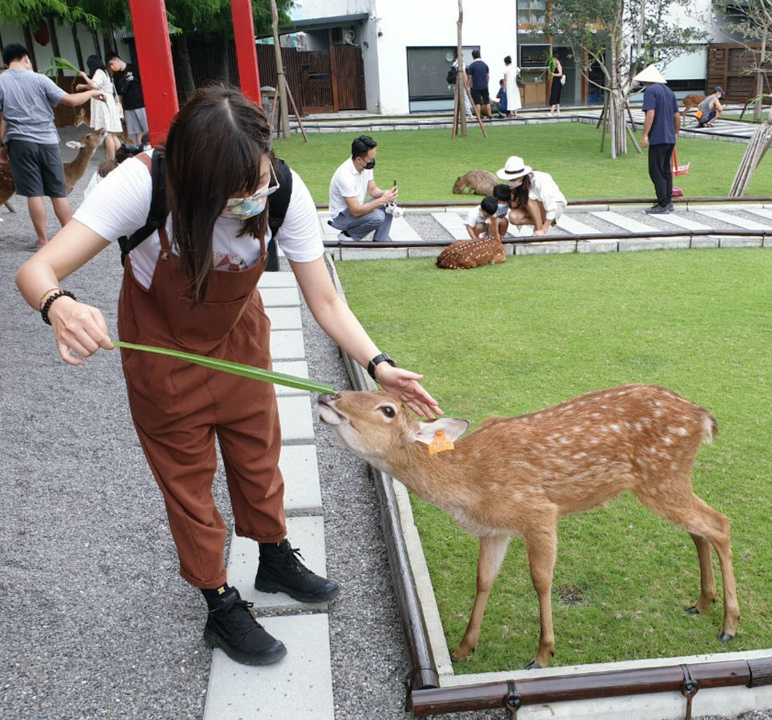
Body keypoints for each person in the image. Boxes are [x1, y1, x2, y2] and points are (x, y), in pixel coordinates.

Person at [15, 86, 441, 667]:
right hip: (163, 355)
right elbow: (38, 269)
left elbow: (326, 299)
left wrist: (379, 364)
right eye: (234, 197)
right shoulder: (142, 186)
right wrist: (58, 304)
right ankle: (219, 601)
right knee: (188, 486)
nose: (252, 201)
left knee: (259, 457)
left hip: (238, 343)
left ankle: (273, 556)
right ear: (194, 182)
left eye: (258, 184)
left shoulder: (281, 191)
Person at [0, 43, 107, 247]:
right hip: (47, 140)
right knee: (58, 191)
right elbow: (71, 101)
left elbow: (1, 118)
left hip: (19, 141)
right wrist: (92, 93)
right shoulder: (40, 79)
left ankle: (42, 240)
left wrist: (2, 145)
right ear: (25, 58)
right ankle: (70, 239)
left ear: (7, 62)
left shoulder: (1, 81)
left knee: (34, 193)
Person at [327, 134, 398, 243]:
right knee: (378, 216)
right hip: (342, 216)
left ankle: (381, 242)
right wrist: (382, 199)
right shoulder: (345, 176)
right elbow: (355, 211)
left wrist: (387, 194)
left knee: (390, 203)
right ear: (359, 159)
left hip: (357, 207)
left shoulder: (366, 165)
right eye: (371, 158)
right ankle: (347, 235)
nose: (373, 161)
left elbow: (372, 190)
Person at [636, 65, 681, 215]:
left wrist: (644, 135)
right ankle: (668, 201)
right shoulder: (669, 92)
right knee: (666, 170)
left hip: (658, 137)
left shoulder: (651, 91)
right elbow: (677, 116)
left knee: (655, 171)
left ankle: (662, 203)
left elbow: (650, 114)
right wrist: (675, 133)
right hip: (669, 138)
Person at [496, 155, 566, 237]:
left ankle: (539, 230)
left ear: (521, 176)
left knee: (528, 201)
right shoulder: (518, 185)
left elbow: (551, 206)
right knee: (514, 217)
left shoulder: (540, 181)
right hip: (536, 207)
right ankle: (540, 223)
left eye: (513, 179)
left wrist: (544, 229)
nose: (511, 182)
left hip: (556, 206)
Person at [75, 55, 122, 160]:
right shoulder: (106, 72)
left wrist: (84, 76)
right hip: (109, 102)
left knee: (107, 134)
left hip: (102, 103)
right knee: (113, 134)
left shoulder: (98, 72)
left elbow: (95, 85)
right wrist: (83, 86)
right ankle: (120, 158)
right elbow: (98, 85)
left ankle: (111, 159)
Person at [106, 51, 148, 145]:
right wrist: (118, 109)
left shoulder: (134, 68)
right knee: (137, 131)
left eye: (111, 64)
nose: (112, 67)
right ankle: (140, 148)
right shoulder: (117, 76)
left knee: (148, 129)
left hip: (142, 104)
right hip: (129, 106)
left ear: (116, 59)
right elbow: (119, 94)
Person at [465, 49, 490, 120]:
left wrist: (466, 86)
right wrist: (486, 83)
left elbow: (469, 77)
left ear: (473, 56)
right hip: (485, 86)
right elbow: (488, 76)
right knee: (486, 101)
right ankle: (490, 115)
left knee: (477, 102)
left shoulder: (472, 66)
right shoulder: (485, 65)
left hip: (476, 86)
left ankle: (478, 116)